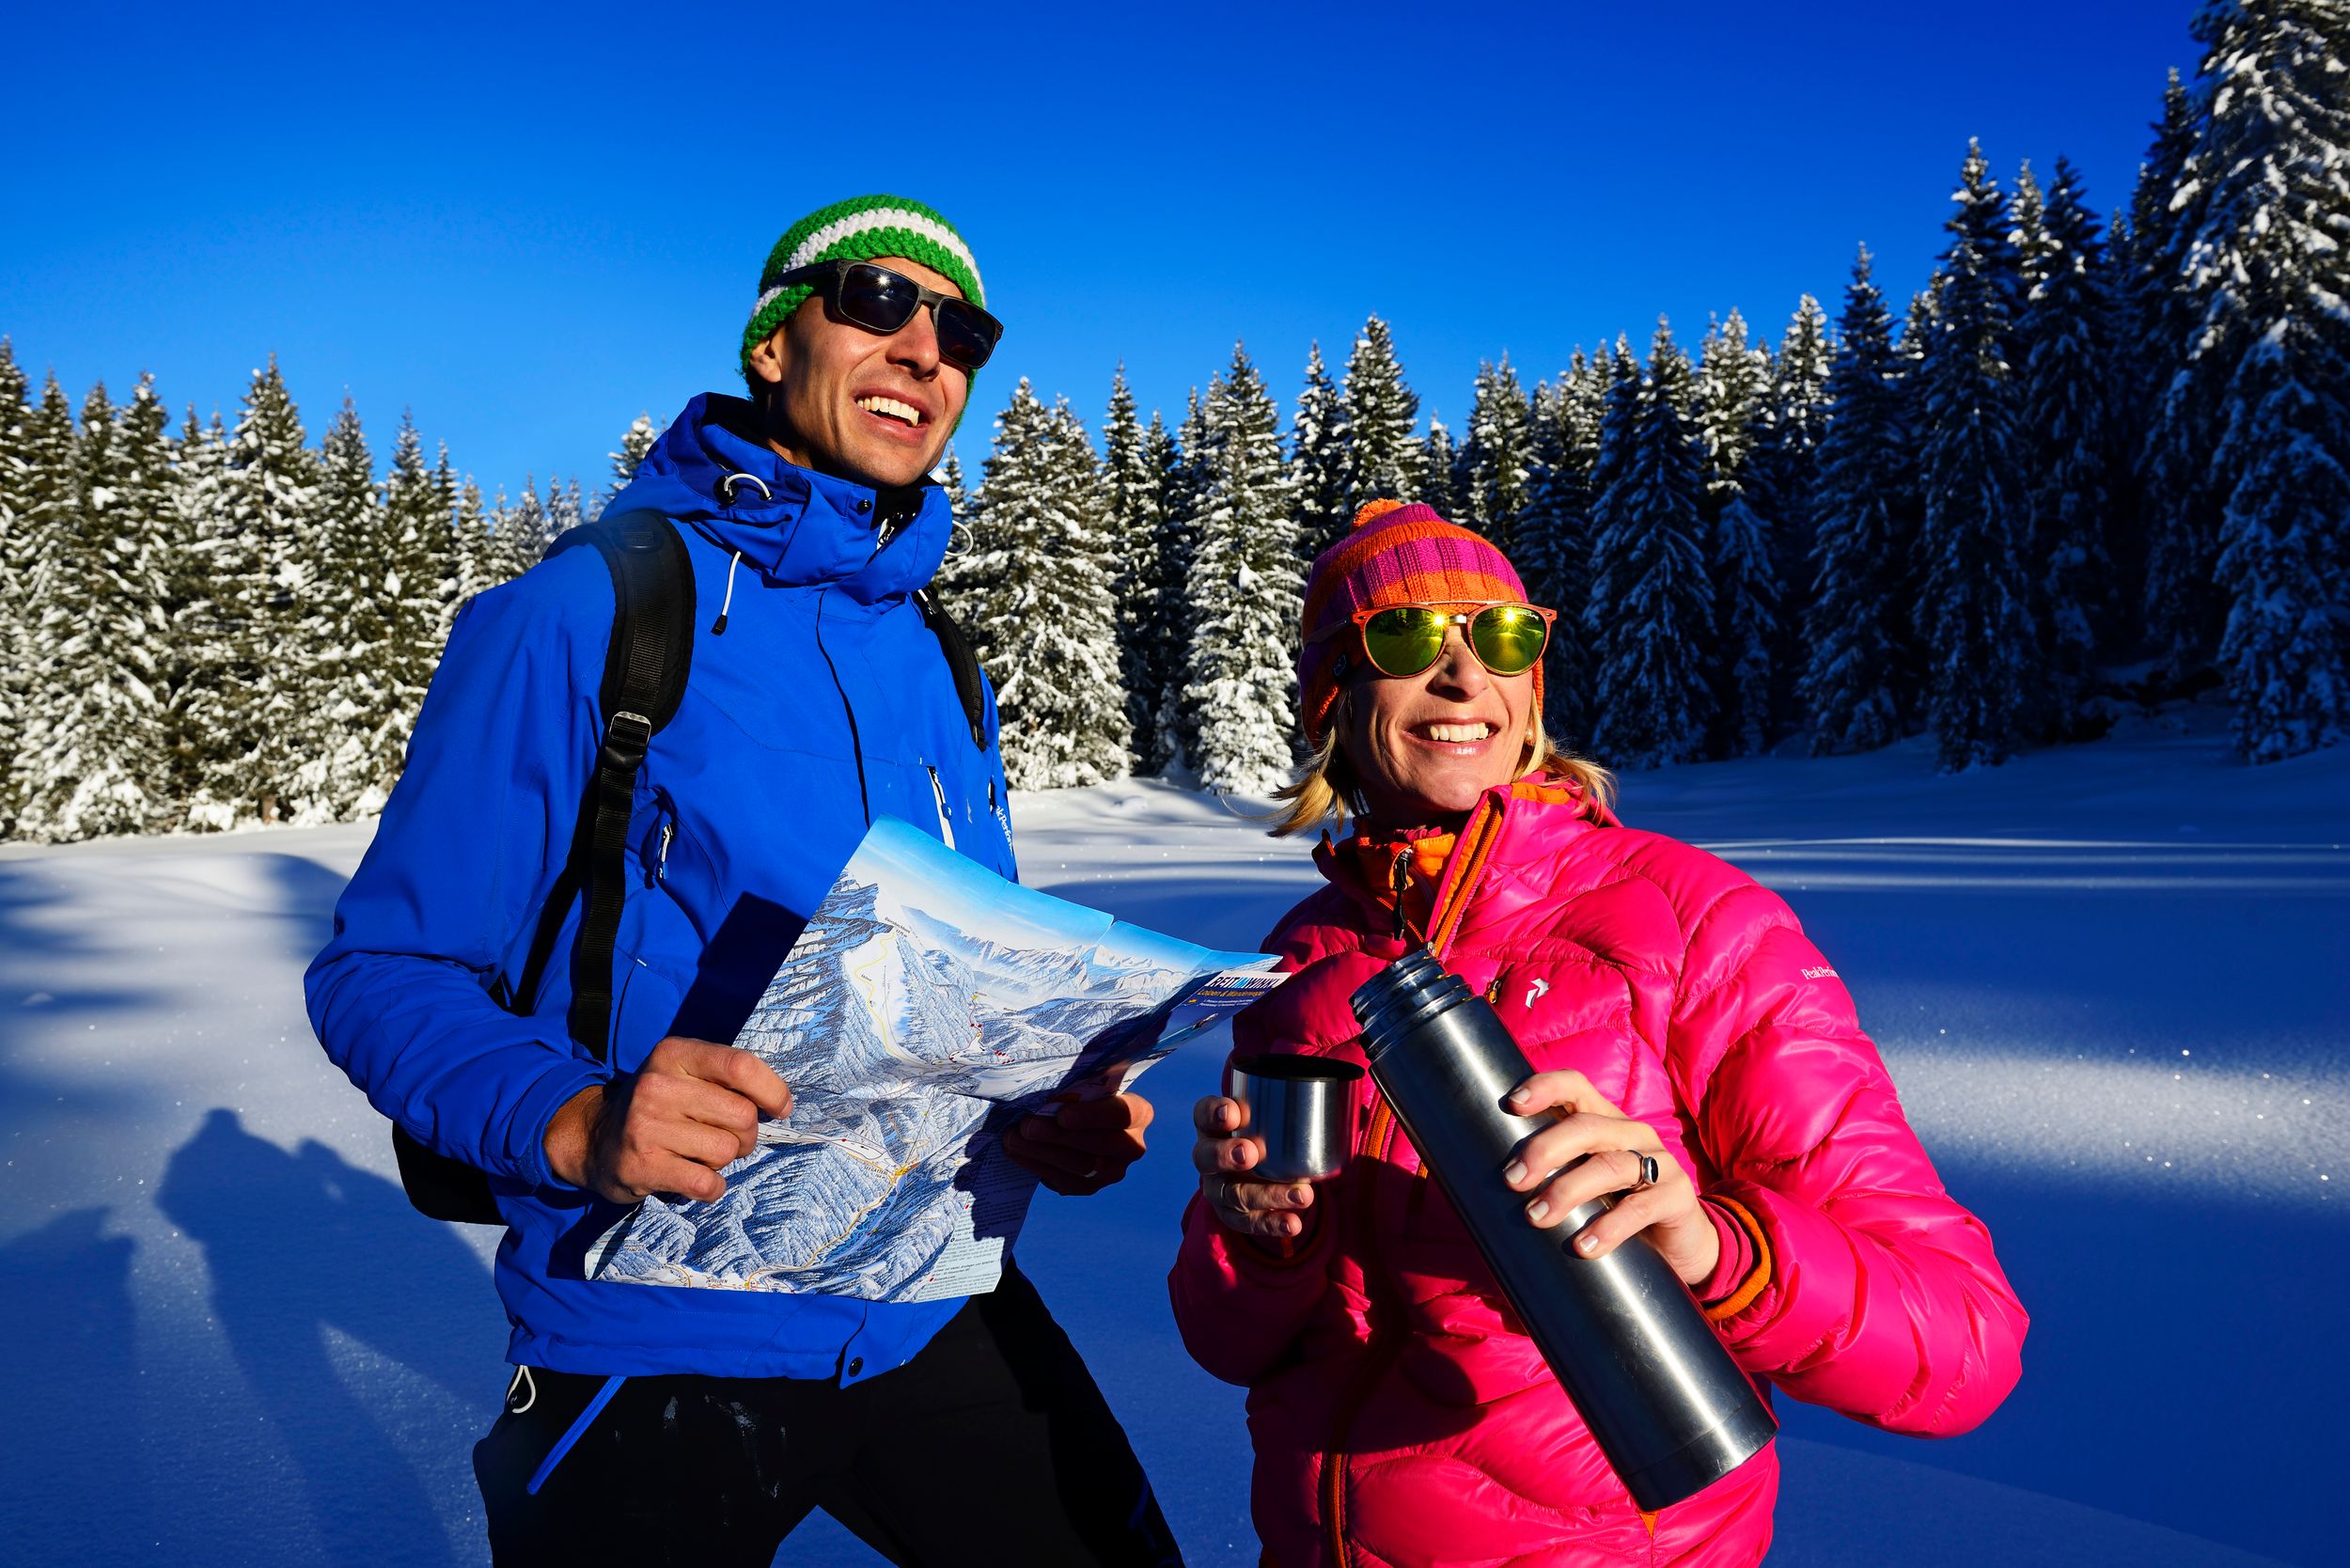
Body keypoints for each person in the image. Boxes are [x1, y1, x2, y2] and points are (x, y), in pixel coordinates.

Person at [307, 194, 1183, 1567]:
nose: (923, 351)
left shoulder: (941, 660)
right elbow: (383, 971)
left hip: (929, 1293)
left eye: (960, 330)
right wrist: (577, 1119)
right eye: (876, 304)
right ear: (773, 344)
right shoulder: (593, 609)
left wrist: (1044, 1110)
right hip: (652, 1322)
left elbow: (945, 977)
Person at [1168, 500, 2028, 1567]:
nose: (1463, 677)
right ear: (1332, 697)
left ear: (1533, 684)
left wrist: (1709, 1244)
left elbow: (1963, 1345)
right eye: (1406, 637)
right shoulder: (1299, 962)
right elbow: (1231, 1343)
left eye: (1503, 636)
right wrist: (1254, 1234)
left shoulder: (1696, 923)